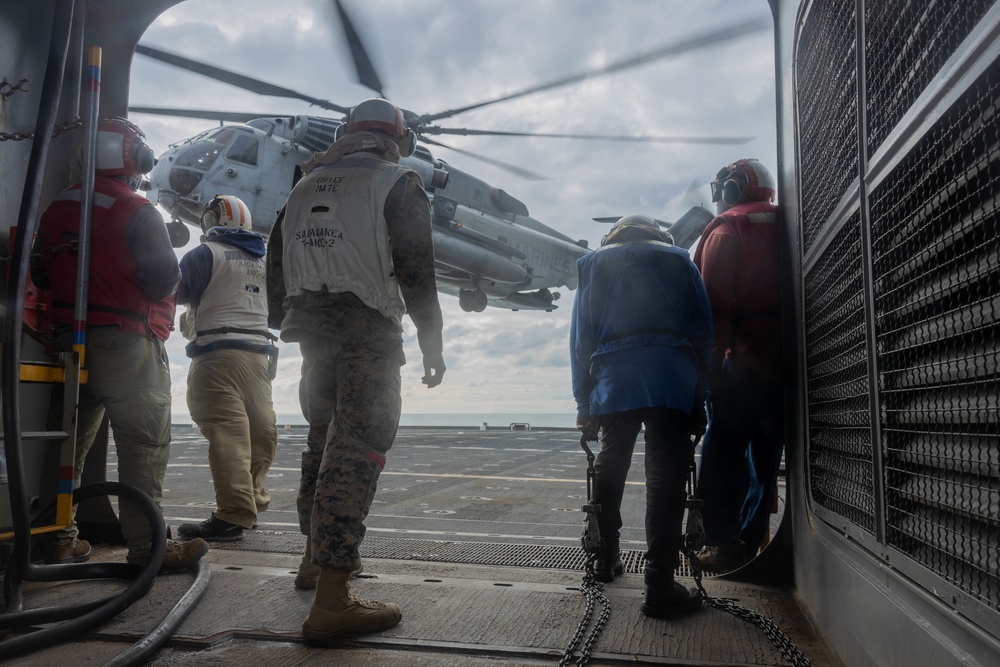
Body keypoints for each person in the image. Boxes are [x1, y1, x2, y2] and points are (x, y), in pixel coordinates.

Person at [266, 98, 446, 642]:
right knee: (357, 452)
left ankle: (311, 563)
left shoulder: (302, 186)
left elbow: (274, 263)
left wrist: (289, 317)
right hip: (367, 337)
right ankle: (332, 600)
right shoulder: (398, 182)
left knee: (321, 446)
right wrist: (431, 342)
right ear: (400, 141)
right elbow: (416, 267)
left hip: (311, 336)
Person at [31, 117, 209, 571]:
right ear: (135, 158)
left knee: (66, 446)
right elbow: (162, 280)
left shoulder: (56, 209)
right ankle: (149, 549)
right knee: (143, 446)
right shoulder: (136, 209)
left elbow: (38, 273)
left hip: (69, 343)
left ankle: (59, 539)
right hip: (127, 343)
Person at [570, 214, 713, 617]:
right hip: (671, 377)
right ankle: (659, 583)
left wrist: (585, 404)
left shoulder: (593, 263)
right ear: (658, 234)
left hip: (614, 381)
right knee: (666, 478)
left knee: (610, 464)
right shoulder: (681, 259)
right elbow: (703, 332)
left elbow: (581, 338)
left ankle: (605, 560)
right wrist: (701, 397)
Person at [692, 158, 783, 572]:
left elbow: (712, 306)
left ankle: (723, 544)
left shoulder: (727, 229)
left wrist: (708, 369)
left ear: (731, 189)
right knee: (766, 457)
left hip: (743, 361)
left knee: (720, 454)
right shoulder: (788, 222)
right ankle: (750, 541)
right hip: (786, 361)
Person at [175, 195, 278, 542]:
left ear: (212, 221)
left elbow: (174, 291)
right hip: (257, 359)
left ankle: (235, 514)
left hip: (216, 359)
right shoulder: (267, 261)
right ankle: (248, 504)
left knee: (230, 437)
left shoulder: (205, 254)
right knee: (261, 435)